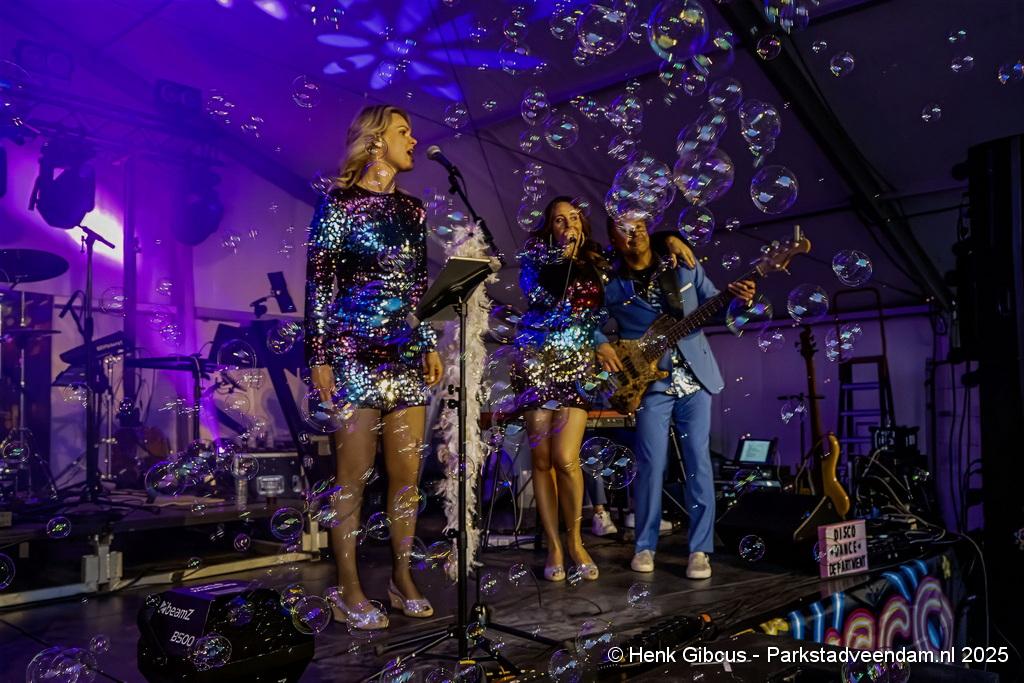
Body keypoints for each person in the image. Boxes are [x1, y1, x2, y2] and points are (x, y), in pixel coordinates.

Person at [304, 105, 443, 629]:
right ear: (377, 141)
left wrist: (426, 341)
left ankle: (401, 577)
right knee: (353, 477)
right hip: (352, 352)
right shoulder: (337, 204)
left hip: (403, 352)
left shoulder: (413, 210)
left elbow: (415, 287)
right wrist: (318, 354)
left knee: (407, 476)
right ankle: (348, 588)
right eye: (405, 131)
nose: (414, 139)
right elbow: (320, 285)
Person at [511, 198, 696, 580]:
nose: (568, 225)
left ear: (583, 224)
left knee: (566, 457)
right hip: (537, 360)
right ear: (550, 228)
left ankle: (576, 541)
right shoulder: (537, 260)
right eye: (559, 220)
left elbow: (635, 249)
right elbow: (541, 298)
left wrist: (668, 238)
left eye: (574, 218)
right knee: (542, 461)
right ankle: (554, 547)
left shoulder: (598, 262)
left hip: (576, 365)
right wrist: (560, 256)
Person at [595, 216, 755, 579]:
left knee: (699, 461)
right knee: (650, 464)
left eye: (639, 225)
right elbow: (591, 323)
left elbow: (718, 305)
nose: (633, 233)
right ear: (613, 239)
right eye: (623, 228)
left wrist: (740, 301)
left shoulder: (683, 263)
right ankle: (645, 546)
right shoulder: (612, 284)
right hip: (649, 383)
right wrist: (601, 343)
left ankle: (700, 550)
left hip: (696, 379)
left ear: (649, 229)